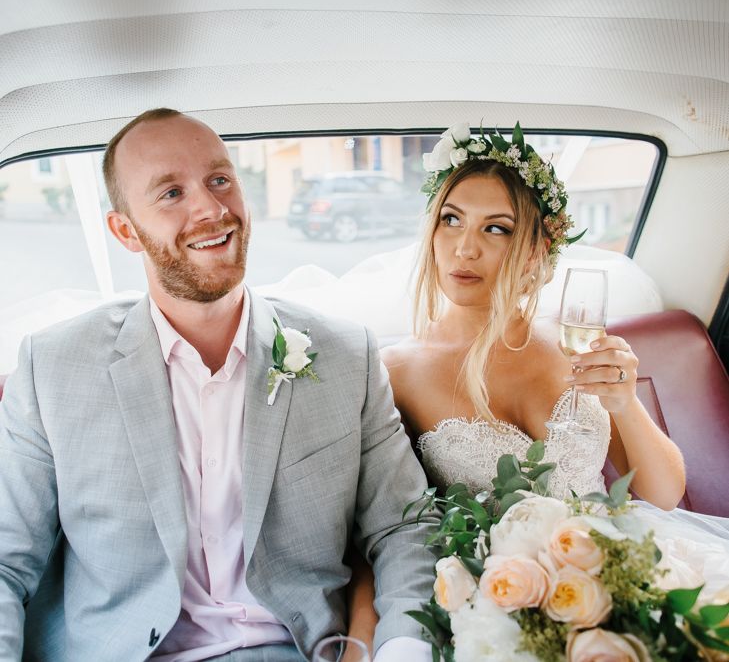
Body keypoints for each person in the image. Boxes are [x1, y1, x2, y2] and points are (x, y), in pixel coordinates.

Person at [0, 108, 438, 661]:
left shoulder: (348, 355)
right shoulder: (52, 369)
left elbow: (406, 529)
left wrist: (401, 651)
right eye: (170, 193)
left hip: (298, 651)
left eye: (220, 180)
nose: (210, 208)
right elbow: (4, 561)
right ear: (125, 231)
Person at [347, 122, 729, 648]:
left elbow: (663, 494)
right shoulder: (395, 372)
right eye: (452, 220)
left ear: (535, 250)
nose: (464, 248)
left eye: (496, 228)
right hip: (510, 602)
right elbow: (384, 533)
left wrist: (624, 405)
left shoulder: (575, 345)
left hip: (626, 561)